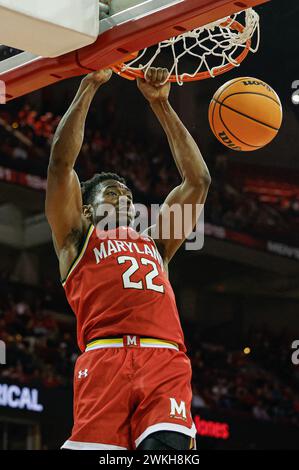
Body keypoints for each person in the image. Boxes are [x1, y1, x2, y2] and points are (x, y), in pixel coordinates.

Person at [45, 67, 211, 450]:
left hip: (164, 360)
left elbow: (197, 181)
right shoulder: (76, 237)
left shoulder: (158, 243)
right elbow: (60, 165)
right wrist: (89, 84)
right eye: (113, 193)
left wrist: (162, 105)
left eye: (129, 196)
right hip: (104, 360)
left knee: (166, 452)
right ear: (87, 210)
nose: (126, 199)